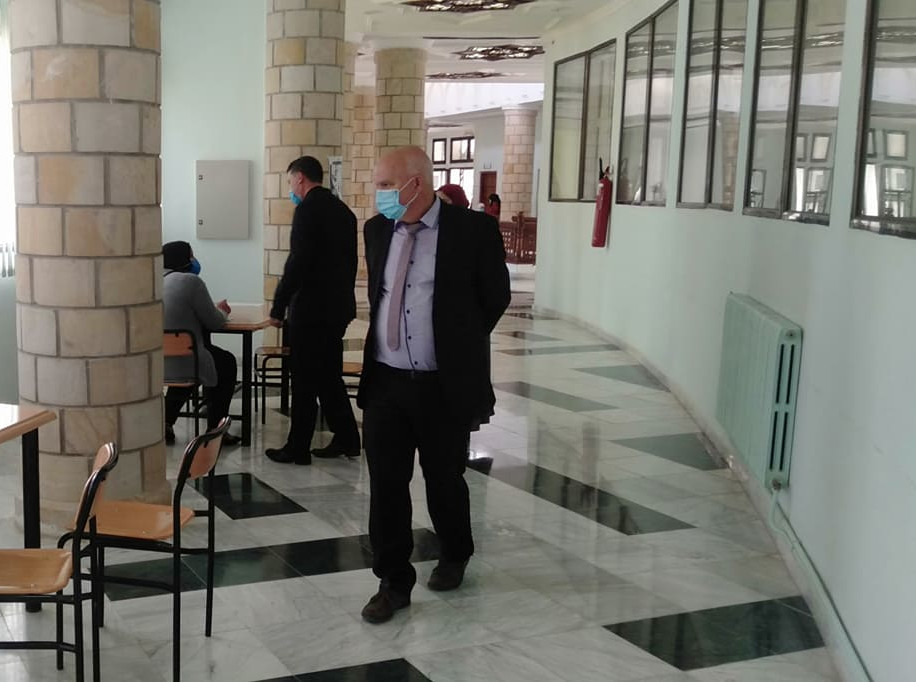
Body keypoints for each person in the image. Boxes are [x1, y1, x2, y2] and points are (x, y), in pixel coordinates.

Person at [356, 146, 510, 624]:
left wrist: (456, 342)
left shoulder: (473, 231)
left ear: (415, 184)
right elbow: (380, 293)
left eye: (386, 184)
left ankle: (455, 552)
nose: (379, 193)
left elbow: (495, 297)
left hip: (443, 385)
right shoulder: (377, 229)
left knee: (444, 478)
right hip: (386, 382)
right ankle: (392, 581)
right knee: (386, 485)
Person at [265, 156, 361, 465]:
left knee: (304, 379)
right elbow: (350, 264)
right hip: (337, 308)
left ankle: (298, 447)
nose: (291, 188)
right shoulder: (343, 212)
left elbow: (298, 261)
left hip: (311, 310)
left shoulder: (307, 210)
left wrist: (279, 304)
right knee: (329, 376)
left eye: (290, 181)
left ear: (301, 178)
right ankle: (348, 438)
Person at [162, 241, 241, 446]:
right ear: (183, 260)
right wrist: (222, 310)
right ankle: (216, 428)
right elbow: (214, 322)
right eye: (191, 256)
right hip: (188, 357)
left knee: (189, 365)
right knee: (225, 362)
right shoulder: (190, 282)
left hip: (158, 360)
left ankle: (165, 422)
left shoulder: (151, 281)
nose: (194, 261)